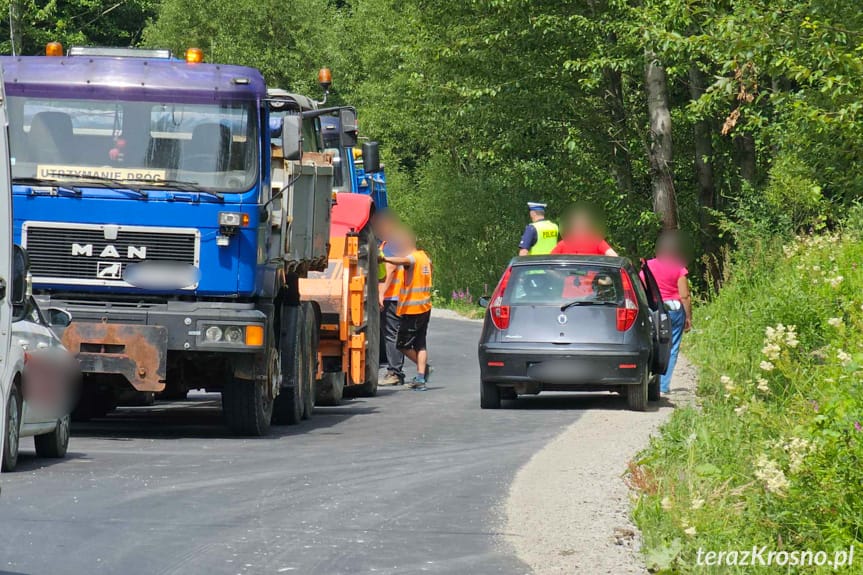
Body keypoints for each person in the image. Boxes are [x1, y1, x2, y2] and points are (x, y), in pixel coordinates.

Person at [381, 234, 432, 391]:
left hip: (412, 309)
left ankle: (422, 369)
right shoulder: (425, 258)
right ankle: (421, 377)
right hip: (424, 308)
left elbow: (401, 262)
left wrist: (384, 259)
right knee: (420, 344)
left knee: (401, 344)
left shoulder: (413, 258)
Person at [643, 231, 692, 395]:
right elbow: (684, 295)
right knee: (671, 347)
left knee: (652, 344)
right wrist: (688, 317)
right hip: (674, 310)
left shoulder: (647, 266)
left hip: (653, 310)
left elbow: (642, 288)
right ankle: (663, 386)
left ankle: (649, 381)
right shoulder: (679, 269)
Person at [378, 225, 406, 386]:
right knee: (396, 334)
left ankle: (395, 372)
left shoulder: (390, 245)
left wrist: (381, 293)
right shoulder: (392, 244)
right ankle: (420, 367)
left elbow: (390, 268)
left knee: (391, 335)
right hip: (395, 296)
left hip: (392, 297)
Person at [550, 208, 618, 256]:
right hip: (593, 276)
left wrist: (559, 275)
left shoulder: (563, 244)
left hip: (567, 276)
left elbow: (549, 262)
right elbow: (614, 257)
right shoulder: (597, 241)